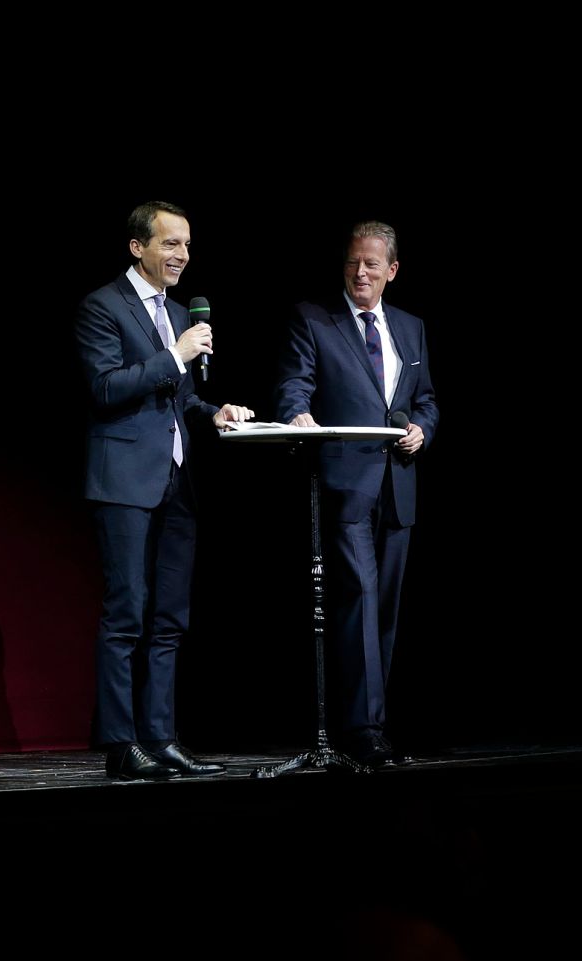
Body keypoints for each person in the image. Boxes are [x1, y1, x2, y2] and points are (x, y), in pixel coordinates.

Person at [75, 200, 255, 780]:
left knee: (171, 617)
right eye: (170, 244)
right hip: (125, 478)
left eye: (186, 245)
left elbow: (182, 399)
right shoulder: (102, 306)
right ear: (138, 247)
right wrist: (174, 355)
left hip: (178, 480)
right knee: (127, 610)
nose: (181, 255)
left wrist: (215, 411)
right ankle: (122, 744)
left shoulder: (179, 311)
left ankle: (161, 735)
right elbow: (105, 389)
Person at [273, 221, 438, 769]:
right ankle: (362, 729)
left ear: (392, 271)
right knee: (359, 599)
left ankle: (372, 722)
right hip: (347, 484)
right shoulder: (314, 318)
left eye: (371, 264)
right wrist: (297, 411)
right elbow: (294, 381)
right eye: (352, 263)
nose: (360, 272)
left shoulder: (411, 328)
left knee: (385, 609)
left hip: (399, 486)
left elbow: (427, 400)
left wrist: (422, 428)